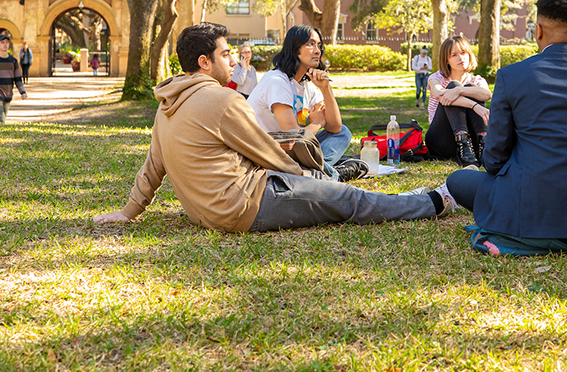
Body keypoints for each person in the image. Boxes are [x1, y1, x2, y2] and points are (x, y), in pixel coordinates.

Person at [93, 23, 458, 232]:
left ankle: (344, 176)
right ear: (204, 62)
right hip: (243, 205)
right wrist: (313, 179)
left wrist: (130, 211)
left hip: (205, 211)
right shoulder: (221, 99)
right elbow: (267, 152)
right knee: (349, 199)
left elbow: (153, 165)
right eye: (225, 54)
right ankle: (430, 203)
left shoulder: (166, 103)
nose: (234, 59)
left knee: (332, 177)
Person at [444, 0, 567, 258]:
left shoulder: (511, 76)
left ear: (538, 31)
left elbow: (495, 159)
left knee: (458, 179)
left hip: (528, 207)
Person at [247, 25, 359, 181]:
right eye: (310, 44)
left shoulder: (305, 85)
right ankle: (330, 174)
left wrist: (326, 88)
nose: (317, 50)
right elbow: (292, 138)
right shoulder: (277, 81)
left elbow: (335, 127)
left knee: (343, 133)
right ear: (294, 48)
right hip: (268, 153)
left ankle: (315, 172)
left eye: (319, 45)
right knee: (304, 145)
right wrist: (317, 123)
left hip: (292, 151)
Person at [423, 36, 492, 166]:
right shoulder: (437, 78)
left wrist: (460, 91)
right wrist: (474, 105)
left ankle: (484, 145)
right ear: (446, 60)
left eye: (463, 52)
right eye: (453, 55)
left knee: (470, 88)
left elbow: (487, 94)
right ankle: (462, 141)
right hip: (441, 141)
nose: (460, 58)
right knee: (454, 85)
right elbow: (439, 94)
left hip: (473, 146)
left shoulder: (477, 80)